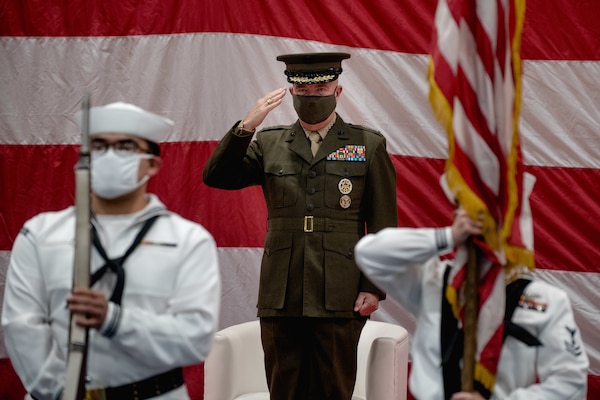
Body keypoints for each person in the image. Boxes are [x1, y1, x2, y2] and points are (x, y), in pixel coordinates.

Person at [202, 52, 398, 400]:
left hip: (341, 289)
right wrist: (246, 126)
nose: (312, 97)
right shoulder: (269, 142)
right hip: (283, 289)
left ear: (337, 92)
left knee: (333, 388)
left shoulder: (367, 145)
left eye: (321, 89)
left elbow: (383, 225)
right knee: (284, 389)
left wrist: (375, 286)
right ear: (292, 93)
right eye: (304, 91)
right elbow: (217, 176)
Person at [2, 102, 222, 400]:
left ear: (153, 164)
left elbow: (194, 339)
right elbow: (22, 325)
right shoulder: (39, 234)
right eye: (99, 147)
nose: (110, 156)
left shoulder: (189, 240)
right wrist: (58, 391)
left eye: (126, 146)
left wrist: (116, 320)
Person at [354, 184, 589, 399]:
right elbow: (369, 253)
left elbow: (571, 383)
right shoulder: (433, 282)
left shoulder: (545, 300)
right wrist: (447, 236)